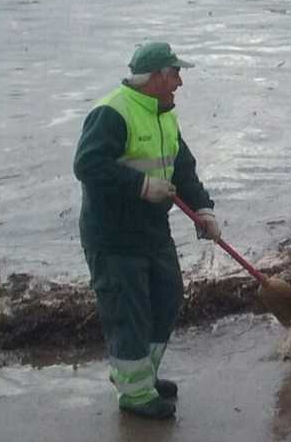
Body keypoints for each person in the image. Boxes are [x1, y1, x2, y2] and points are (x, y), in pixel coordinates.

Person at [74, 42, 221, 420]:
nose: (180, 82)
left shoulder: (163, 114)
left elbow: (183, 168)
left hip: (153, 230)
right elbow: (88, 165)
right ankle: (135, 395)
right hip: (114, 235)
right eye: (175, 74)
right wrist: (140, 185)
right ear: (156, 76)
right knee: (129, 311)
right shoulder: (112, 112)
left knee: (167, 297)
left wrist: (203, 209)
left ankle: (141, 376)